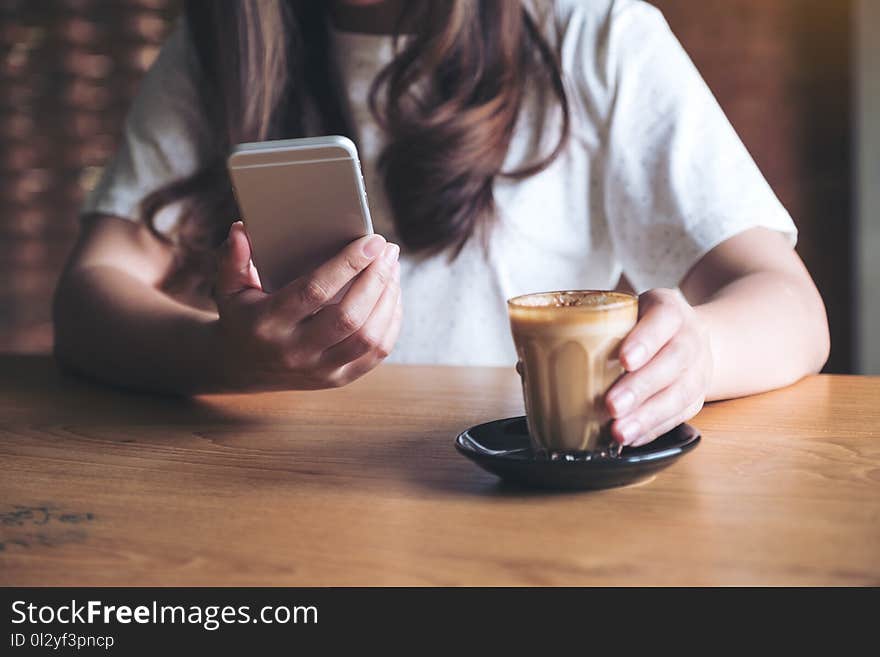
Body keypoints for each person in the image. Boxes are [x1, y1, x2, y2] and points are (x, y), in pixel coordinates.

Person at [53, 0, 830, 448]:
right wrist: (222, 355)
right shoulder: (221, 45)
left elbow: (789, 304)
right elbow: (90, 295)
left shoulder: (593, 33)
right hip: (263, 499)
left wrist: (700, 352)